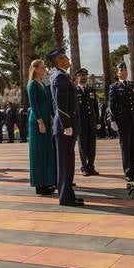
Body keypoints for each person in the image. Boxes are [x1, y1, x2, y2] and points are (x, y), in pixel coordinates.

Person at [47, 47, 83, 207]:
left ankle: (68, 194)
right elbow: (60, 104)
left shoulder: (61, 75)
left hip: (63, 125)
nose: (68, 59)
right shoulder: (60, 77)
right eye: (65, 57)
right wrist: (67, 125)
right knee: (65, 162)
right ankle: (65, 197)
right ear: (59, 60)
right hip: (64, 126)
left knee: (68, 161)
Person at [108, 61, 134, 183]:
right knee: (126, 147)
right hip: (123, 122)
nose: (124, 72)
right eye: (121, 70)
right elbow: (111, 105)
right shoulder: (114, 87)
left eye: (125, 70)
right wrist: (113, 120)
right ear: (117, 73)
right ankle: (128, 172)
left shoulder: (133, 85)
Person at [27, 59, 56, 195]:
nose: (44, 70)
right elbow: (34, 105)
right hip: (38, 122)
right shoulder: (32, 85)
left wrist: (49, 117)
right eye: (43, 68)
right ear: (36, 69)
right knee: (38, 153)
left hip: (45, 120)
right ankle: (39, 184)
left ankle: (46, 182)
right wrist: (40, 122)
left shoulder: (42, 84)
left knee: (46, 152)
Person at [74, 68, 100, 176]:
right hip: (81, 124)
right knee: (82, 146)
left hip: (91, 123)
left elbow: (95, 107)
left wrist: (97, 121)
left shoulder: (91, 90)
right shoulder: (74, 91)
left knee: (92, 146)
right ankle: (84, 167)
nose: (83, 78)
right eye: (81, 76)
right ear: (77, 78)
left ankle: (91, 166)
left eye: (85, 76)